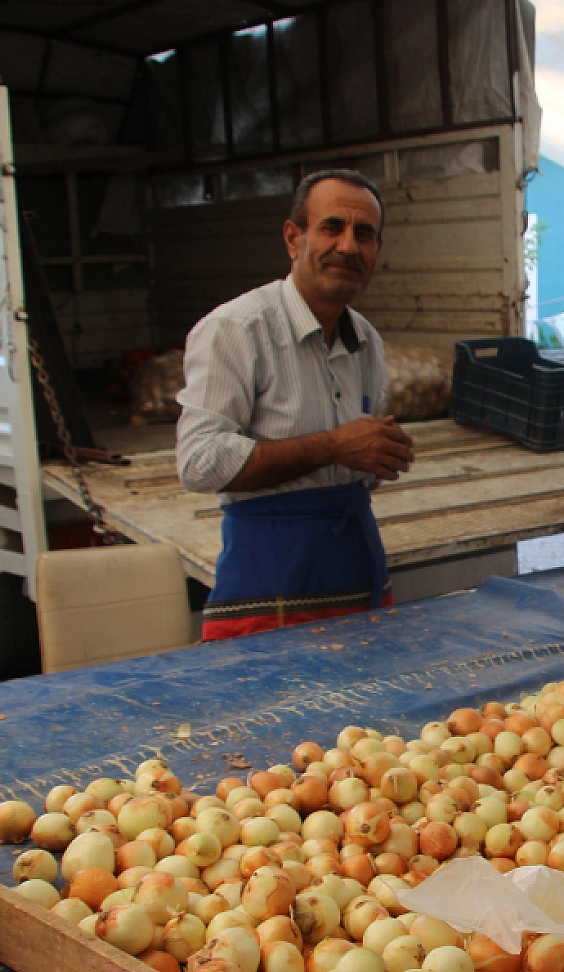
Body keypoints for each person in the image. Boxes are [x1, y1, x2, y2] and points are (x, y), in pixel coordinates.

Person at [176, 170, 415, 639]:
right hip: (268, 587)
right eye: (331, 227)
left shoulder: (366, 339)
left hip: (357, 573)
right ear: (293, 238)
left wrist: (380, 454)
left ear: (377, 251)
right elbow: (199, 463)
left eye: (363, 234)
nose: (348, 246)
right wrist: (334, 447)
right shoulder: (236, 330)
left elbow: (356, 466)